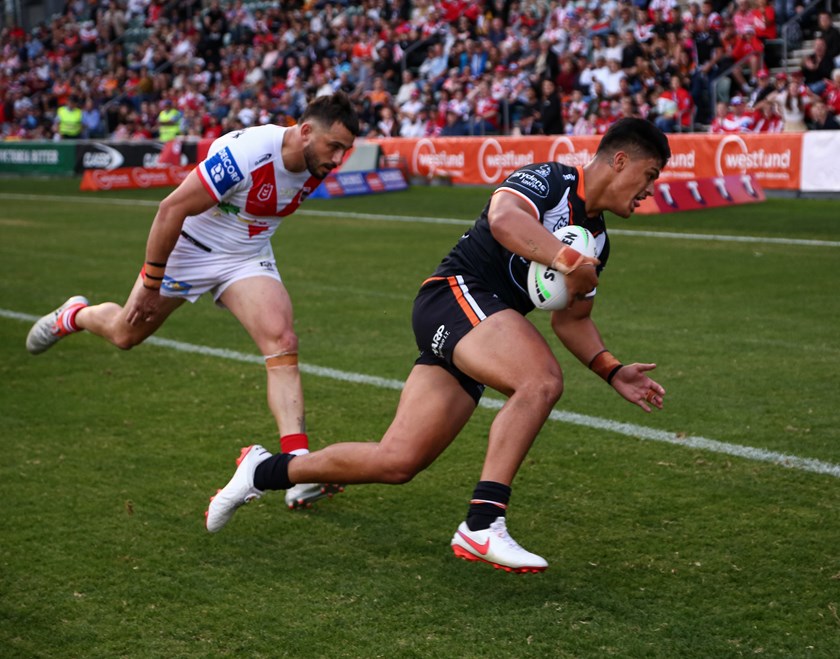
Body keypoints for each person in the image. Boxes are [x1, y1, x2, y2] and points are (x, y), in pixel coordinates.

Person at [205, 118, 672, 574]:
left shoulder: (598, 241)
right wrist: (568, 258)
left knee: (397, 460)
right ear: (619, 160)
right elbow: (504, 218)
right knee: (540, 380)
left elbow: (573, 320)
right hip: (452, 296)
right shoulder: (552, 179)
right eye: (649, 174)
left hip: (482, 327)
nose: (650, 189)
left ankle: (263, 470)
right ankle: (483, 522)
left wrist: (612, 369)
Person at [26, 92, 361, 510]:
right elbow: (171, 209)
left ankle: (298, 467)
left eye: (345, 150)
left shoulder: (316, 162)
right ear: (306, 131)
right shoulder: (247, 155)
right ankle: (74, 315)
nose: (338, 160)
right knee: (125, 334)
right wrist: (151, 283)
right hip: (190, 250)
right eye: (334, 147)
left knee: (282, 342)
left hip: (246, 257)